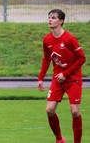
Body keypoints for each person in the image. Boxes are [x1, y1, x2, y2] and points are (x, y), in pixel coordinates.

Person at [37, 9, 86, 143]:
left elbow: (82, 58)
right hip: (57, 79)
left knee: (75, 112)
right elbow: (46, 59)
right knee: (49, 110)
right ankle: (59, 139)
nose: (50, 20)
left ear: (61, 21)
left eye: (53, 17)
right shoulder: (47, 39)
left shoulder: (70, 38)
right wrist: (41, 78)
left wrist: (65, 74)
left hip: (73, 78)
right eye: (49, 17)